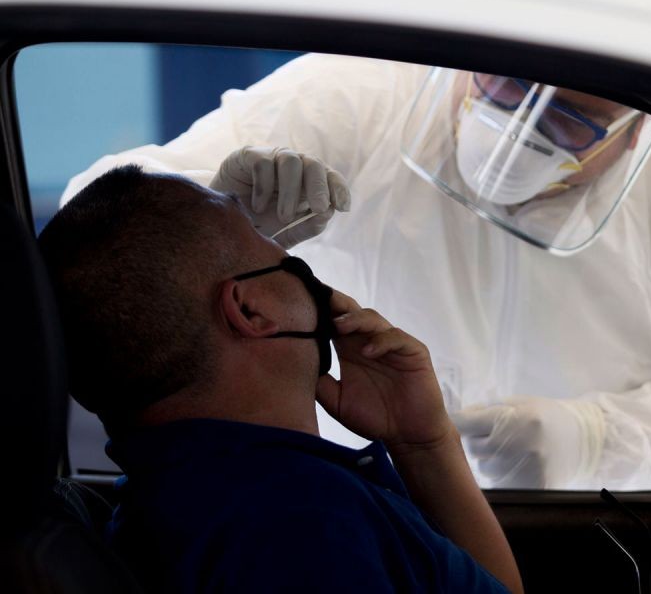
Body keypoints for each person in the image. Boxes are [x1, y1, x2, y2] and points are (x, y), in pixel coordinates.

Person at [62, 53, 651, 492]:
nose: (516, 127)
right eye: (502, 84)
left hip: (586, 524)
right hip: (343, 497)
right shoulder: (356, 92)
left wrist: (592, 442)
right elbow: (96, 225)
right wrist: (212, 207)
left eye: (570, 120)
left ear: (637, 128)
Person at [38, 166, 523, 594]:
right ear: (250, 310)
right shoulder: (299, 523)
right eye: (257, 233)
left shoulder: (188, 494)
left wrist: (423, 443)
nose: (286, 250)